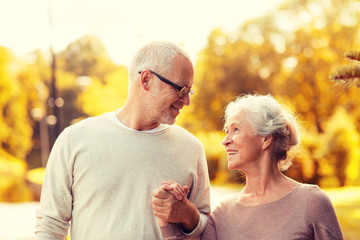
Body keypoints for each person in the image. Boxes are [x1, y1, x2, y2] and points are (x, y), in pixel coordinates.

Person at [35, 41, 211, 240]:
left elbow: (207, 230)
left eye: (190, 91)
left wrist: (189, 214)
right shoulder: (74, 139)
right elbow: (50, 227)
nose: (187, 101)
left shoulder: (191, 148)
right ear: (146, 80)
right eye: (181, 90)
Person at [155, 94, 344, 240]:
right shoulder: (222, 215)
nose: (225, 141)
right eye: (226, 131)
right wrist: (168, 213)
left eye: (235, 130)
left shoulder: (312, 202)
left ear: (266, 139)